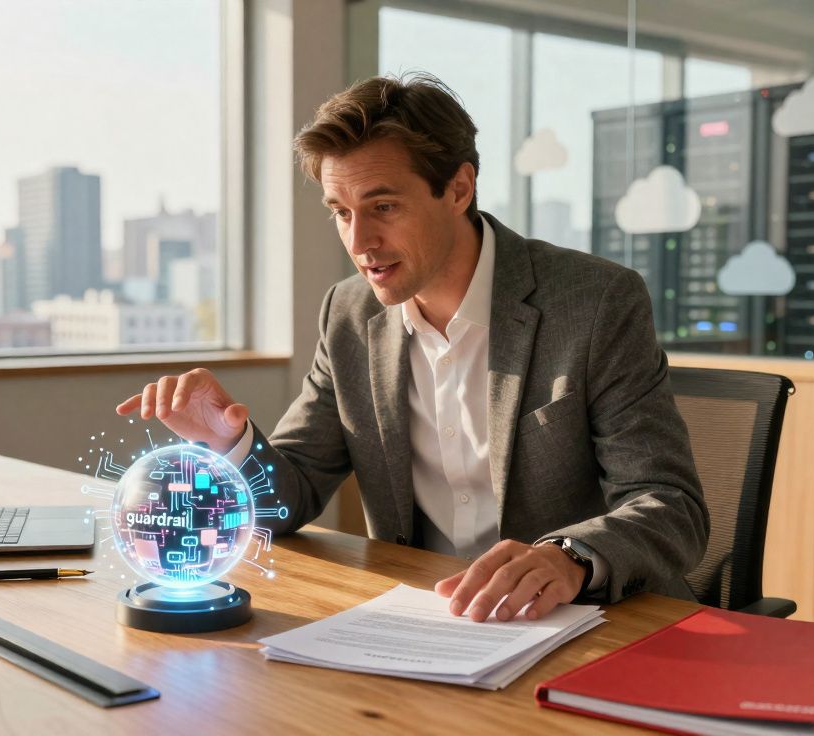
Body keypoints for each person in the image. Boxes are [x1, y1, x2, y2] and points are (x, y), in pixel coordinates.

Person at [117, 73, 707, 623]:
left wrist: (570, 557)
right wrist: (227, 440)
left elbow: (670, 505)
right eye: (341, 213)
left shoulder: (595, 302)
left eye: (384, 207)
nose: (359, 241)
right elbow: (288, 499)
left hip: (585, 623)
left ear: (458, 188)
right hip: (427, 623)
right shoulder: (348, 314)